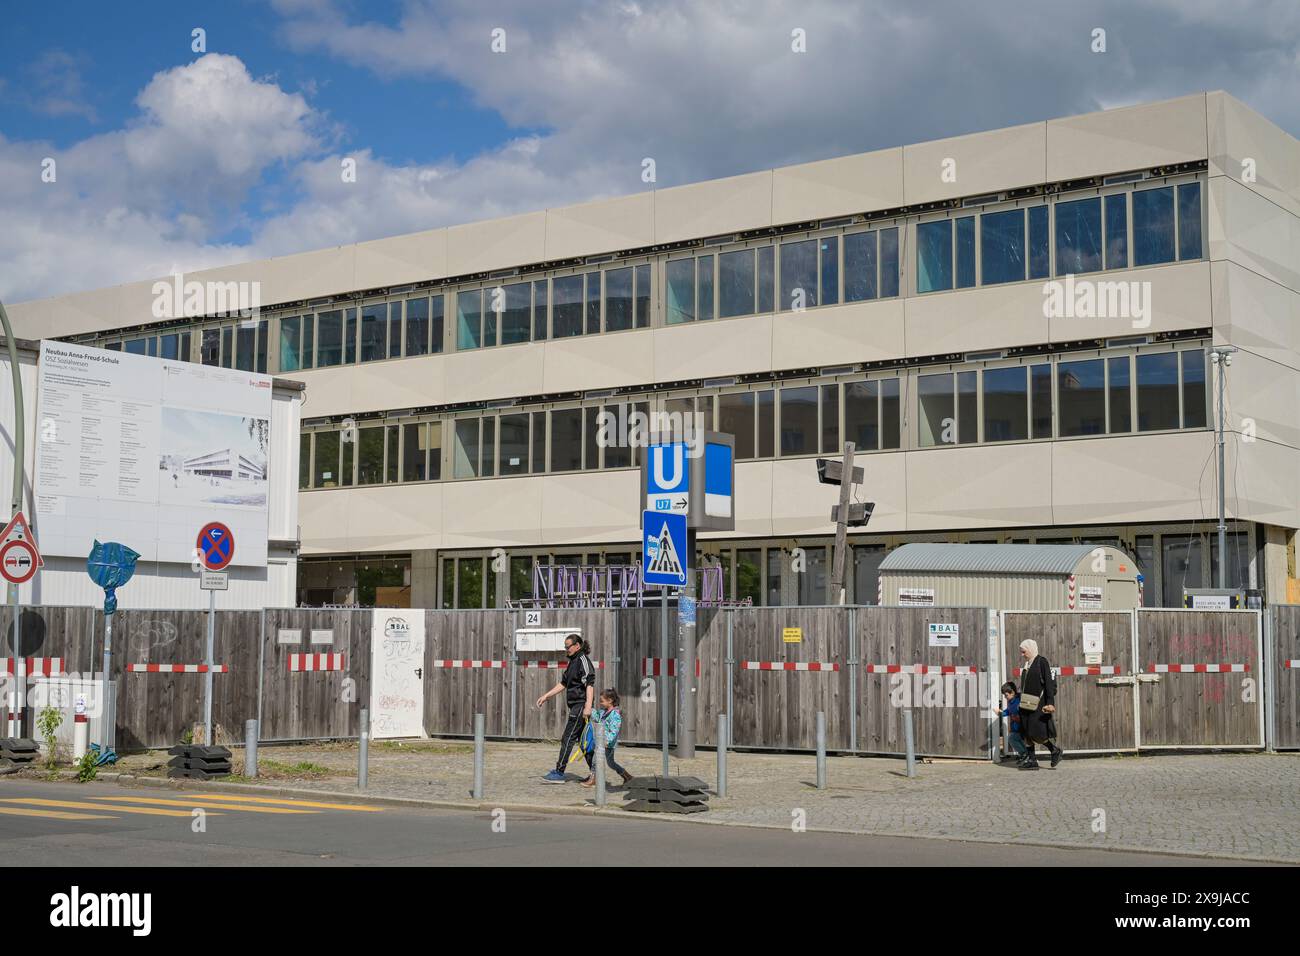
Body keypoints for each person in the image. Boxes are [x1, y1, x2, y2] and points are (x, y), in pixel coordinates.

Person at [536, 633, 596, 783]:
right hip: (576, 706)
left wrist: (588, 707)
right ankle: (596, 773)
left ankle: (559, 772)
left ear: (577, 646)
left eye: (567, 646)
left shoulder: (583, 661)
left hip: (581, 706)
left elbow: (589, 684)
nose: (566, 649)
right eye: (565, 647)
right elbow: (563, 683)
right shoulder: (573, 662)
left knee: (567, 738)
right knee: (583, 742)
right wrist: (546, 696)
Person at [1017, 639, 1064, 770]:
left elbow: (1048, 683)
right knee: (1026, 732)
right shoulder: (1027, 665)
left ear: (1030, 649)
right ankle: (1032, 760)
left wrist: (1050, 703)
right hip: (1026, 704)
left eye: (1023, 651)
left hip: (1038, 704)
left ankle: (1054, 750)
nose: (1022, 654)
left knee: (1037, 732)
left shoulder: (1041, 662)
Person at [581, 688, 633, 787]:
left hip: (607, 744)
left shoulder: (615, 715)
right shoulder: (603, 712)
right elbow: (596, 718)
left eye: (602, 701)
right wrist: (589, 709)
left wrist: (607, 741)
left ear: (610, 701)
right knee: (610, 763)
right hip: (601, 743)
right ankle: (627, 776)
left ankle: (594, 779)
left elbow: (614, 731)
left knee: (596, 760)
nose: (600, 703)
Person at [995, 681, 1027, 763]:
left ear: (1012, 692)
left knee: (1012, 738)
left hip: (1021, 727)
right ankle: (1025, 754)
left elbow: (1021, 712)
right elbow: (1009, 711)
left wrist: (1019, 718)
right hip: (1015, 727)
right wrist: (1001, 713)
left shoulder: (1018, 701)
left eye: (1006, 695)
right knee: (1016, 739)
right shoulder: (1011, 701)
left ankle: (1024, 754)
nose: (1005, 698)